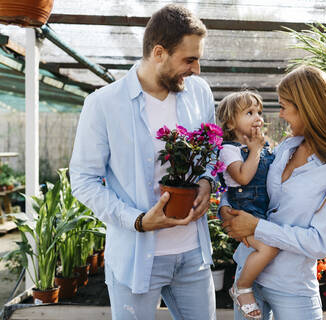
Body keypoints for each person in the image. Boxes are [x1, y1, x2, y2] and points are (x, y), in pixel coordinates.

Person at [70, 5, 217, 320]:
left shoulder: (199, 93)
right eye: (189, 60)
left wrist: (207, 181)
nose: (197, 70)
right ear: (159, 52)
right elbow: (83, 180)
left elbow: (212, 149)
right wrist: (136, 220)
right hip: (136, 258)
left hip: (192, 254)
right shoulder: (104, 104)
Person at [220, 65, 326, 320]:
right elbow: (248, 181)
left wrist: (256, 227)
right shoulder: (288, 147)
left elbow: (318, 242)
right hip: (248, 275)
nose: (279, 114)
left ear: (307, 109)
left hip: (292, 287)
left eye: (283, 106)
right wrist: (227, 205)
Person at [216, 91, 277, 320]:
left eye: (259, 112)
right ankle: (241, 287)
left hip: (261, 213)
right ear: (231, 122)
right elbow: (242, 177)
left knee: (267, 249)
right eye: (249, 112)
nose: (257, 117)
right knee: (269, 248)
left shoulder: (262, 145)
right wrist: (255, 150)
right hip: (245, 213)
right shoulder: (228, 150)